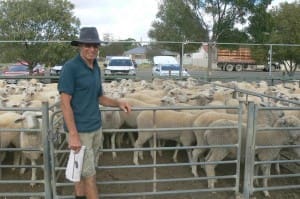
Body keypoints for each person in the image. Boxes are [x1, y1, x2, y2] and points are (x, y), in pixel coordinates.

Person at [58, 27, 131, 199]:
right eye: (87, 45)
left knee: (82, 172)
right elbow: (65, 103)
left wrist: (118, 103)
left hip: (96, 128)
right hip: (81, 131)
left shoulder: (96, 67)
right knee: (90, 177)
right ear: (79, 46)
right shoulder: (71, 68)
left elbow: (100, 97)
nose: (92, 49)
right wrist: (73, 135)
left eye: (95, 46)